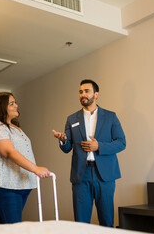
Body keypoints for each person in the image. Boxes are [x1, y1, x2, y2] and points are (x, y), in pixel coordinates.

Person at [52, 79, 126, 227]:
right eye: (80, 92)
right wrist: (63, 140)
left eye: (87, 91)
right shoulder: (72, 119)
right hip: (81, 175)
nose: (83, 94)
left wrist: (99, 146)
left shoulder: (111, 117)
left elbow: (121, 142)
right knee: (81, 223)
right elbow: (67, 148)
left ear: (96, 94)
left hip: (104, 176)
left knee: (106, 221)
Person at [0, 92, 50, 224]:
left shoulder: (16, 128)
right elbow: (9, 152)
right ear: (1, 107)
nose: (16, 105)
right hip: (5, 185)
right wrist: (35, 169)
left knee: (7, 226)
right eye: (11, 103)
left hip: (21, 184)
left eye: (15, 102)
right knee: (12, 227)